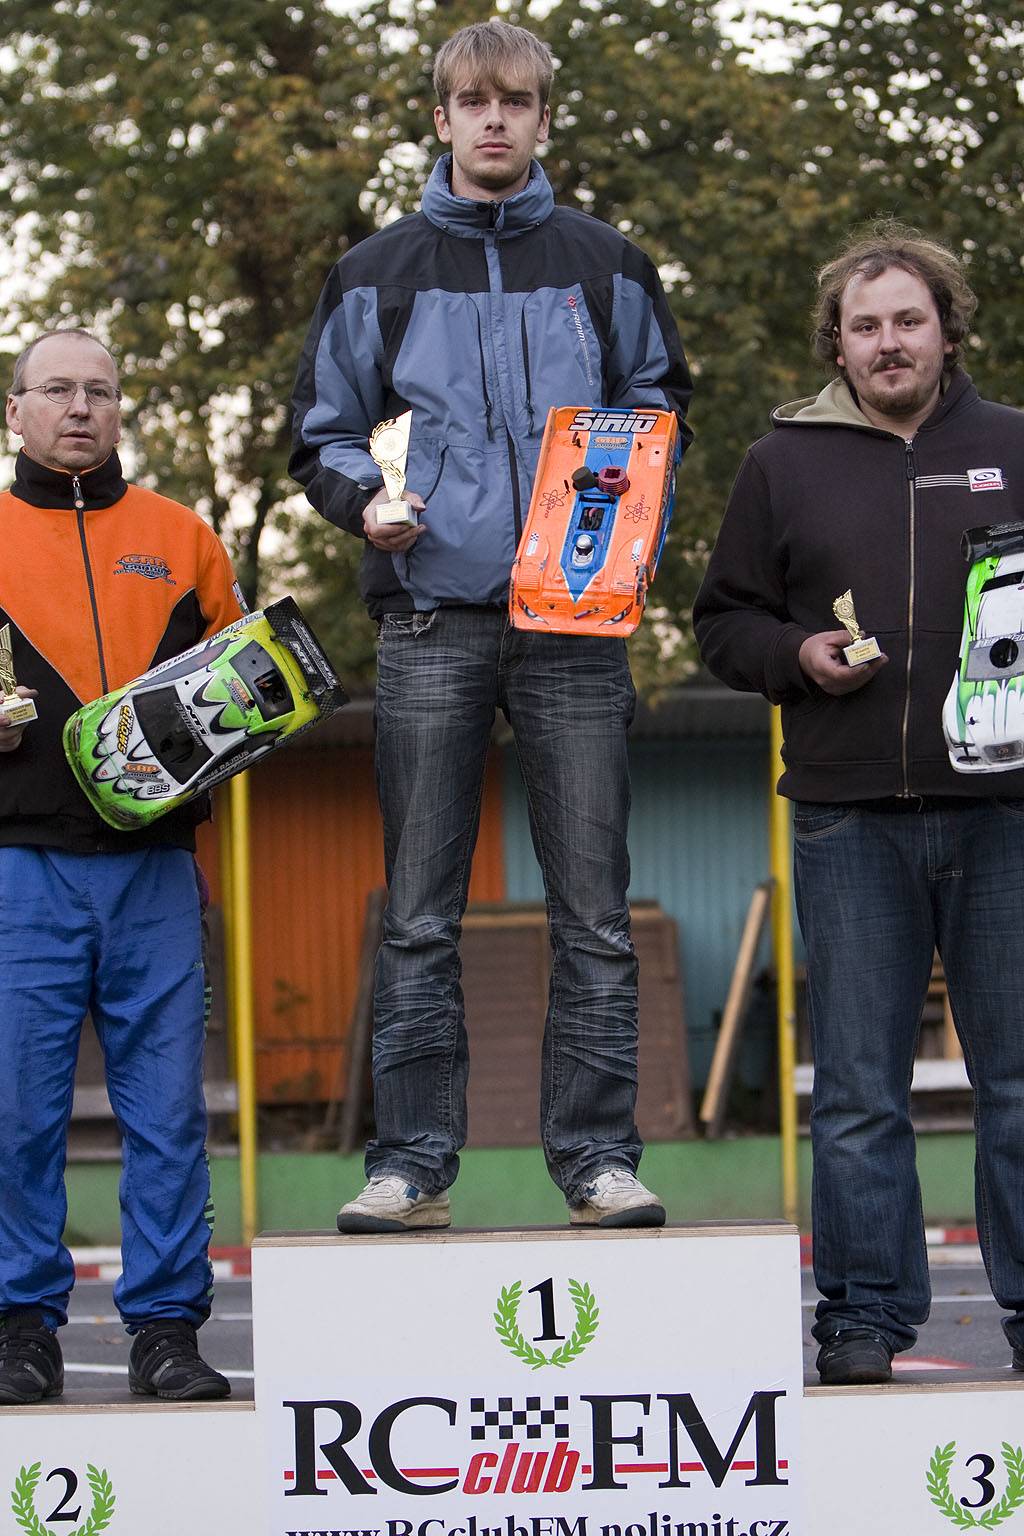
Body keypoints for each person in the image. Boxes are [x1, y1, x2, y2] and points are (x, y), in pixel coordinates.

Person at [291, 19, 692, 1233]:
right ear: (442, 119)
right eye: (474, 102)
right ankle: (410, 1166)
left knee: (594, 912)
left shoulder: (607, 262)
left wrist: (631, 524)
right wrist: (368, 507)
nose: (495, 120)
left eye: (516, 101)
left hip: (575, 618)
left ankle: (598, 1161)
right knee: (419, 911)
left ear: (543, 118)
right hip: (429, 616)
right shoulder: (375, 271)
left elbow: (657, 410)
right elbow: (322, 432)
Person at [693, 223, 1024, 1385]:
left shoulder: (1014, 445)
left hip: (1005, 813)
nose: (888, 342)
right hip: (845, 815)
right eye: (865, 324)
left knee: (1018, 1085)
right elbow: (722, 621)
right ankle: (863, 1317)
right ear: (835, 342)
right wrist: (797, 654)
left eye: (908, 320)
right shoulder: (780, 462)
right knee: (856, 1093)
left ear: (948, 330)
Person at [0, 329, 244, 1404]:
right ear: (15, 411)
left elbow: (252, 685)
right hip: (19, 868)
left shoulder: (182, 536)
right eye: (56, 390)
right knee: (16, 1111)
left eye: (99, 391)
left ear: (118, 410)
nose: (80, 409)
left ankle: (166, 1331)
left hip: (155, 871)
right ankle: (19, 1329)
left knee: (167, 1115)